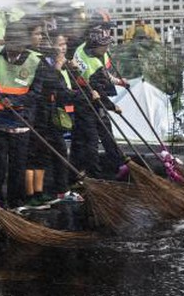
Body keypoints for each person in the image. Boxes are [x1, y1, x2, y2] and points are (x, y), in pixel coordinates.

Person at [0, 20, 46, 210]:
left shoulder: (35, 61)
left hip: (21, 120)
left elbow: (36, 93)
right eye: (12, 46)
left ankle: (16, 202)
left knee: (18, 163)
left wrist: (15, 102)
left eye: (20, 46)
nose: (14, 51)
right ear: (6, 40)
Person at [24, 29, 81, 207]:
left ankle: (58, 191)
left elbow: (63, 89)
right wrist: (58, 66)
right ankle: (31, 195)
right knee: (37, 156)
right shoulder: (44, 63)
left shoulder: (60, 63)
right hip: (39, 116)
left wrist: (75, 74)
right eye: (60, 44)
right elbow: (49, 83)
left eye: (65, 44)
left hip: (52, 114)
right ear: (51, 45)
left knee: (57, 152)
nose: (64, 48)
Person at [69, 25, 123, 180]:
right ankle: (95, 175)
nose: (107, 49)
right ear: (95, 46)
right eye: (104, 46)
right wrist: (113, 107)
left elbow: (105, 77)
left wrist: (119, 82)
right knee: (92, 140)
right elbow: (98, 92)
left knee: (93, 137)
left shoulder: (83, 48)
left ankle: (114, 165)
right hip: (88, 102)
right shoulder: (93, 65)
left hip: (88, 97)